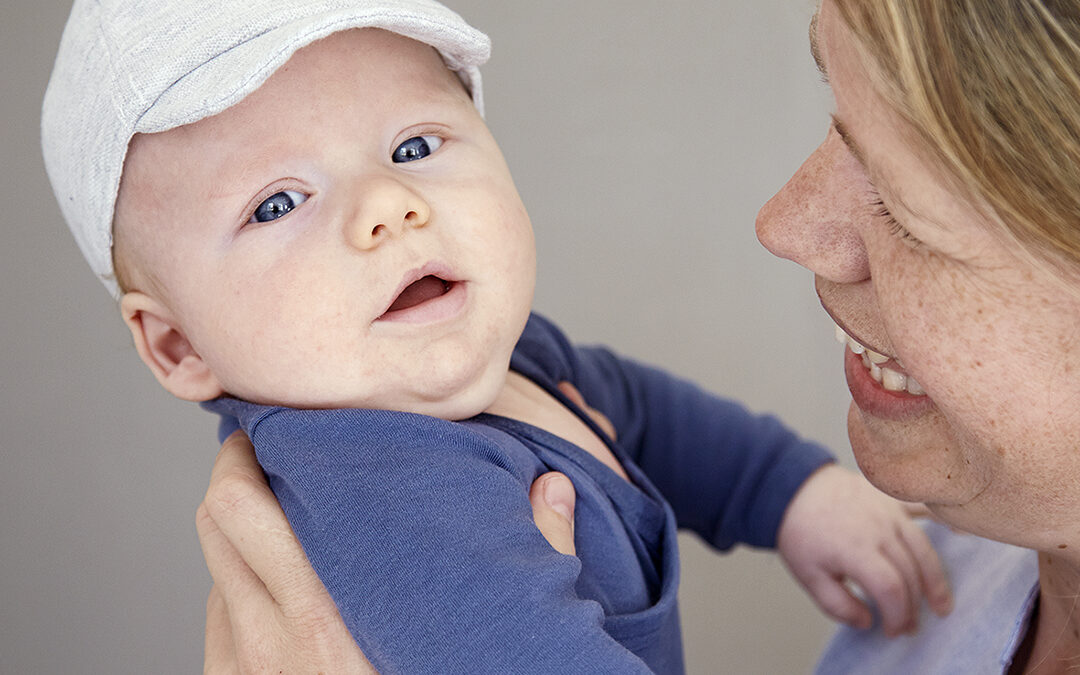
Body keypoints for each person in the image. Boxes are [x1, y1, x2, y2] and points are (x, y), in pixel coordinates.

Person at [41, 1, 951, 672]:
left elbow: (641, 412)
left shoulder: (508, 362)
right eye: (276, 203)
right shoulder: (379, 490)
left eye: (413, 147)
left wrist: (786, 491)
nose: (389, 209)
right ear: (177, 347)